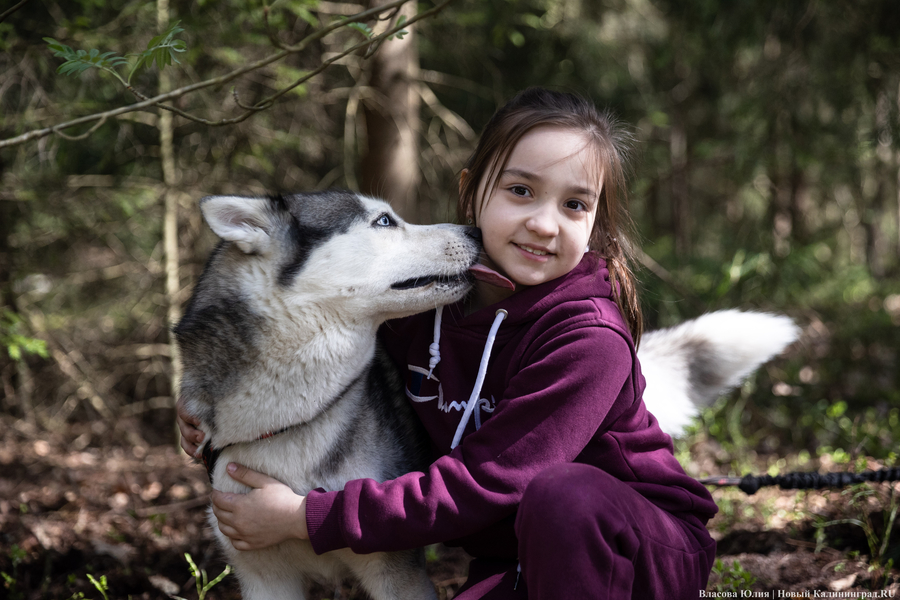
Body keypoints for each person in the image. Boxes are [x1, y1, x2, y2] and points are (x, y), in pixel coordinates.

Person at [177, 87, 718, 599]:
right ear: (470, 192)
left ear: (596, 225)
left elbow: (488, 481)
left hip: (636, 551)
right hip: (514, 560)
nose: (544, 224)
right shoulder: (418, 313)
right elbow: (309, 372)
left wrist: (305, 517)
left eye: (575, 205)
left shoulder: (588, 339)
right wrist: (216, 415)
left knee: (563, 496)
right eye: (521, 190)